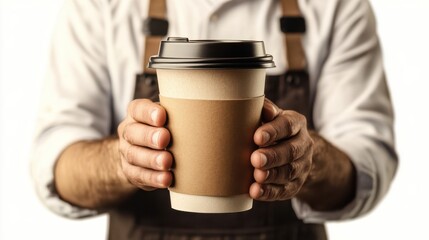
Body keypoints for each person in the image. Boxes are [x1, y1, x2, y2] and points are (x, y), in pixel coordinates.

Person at [31, 0, 398, 239]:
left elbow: (369, 158)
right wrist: (121, 160)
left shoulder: (337, 7)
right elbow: (55, 161)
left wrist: (309, 159)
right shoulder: (99, 7)